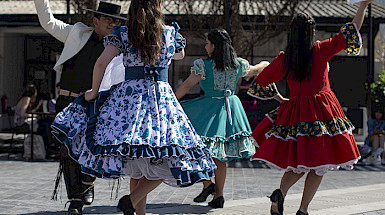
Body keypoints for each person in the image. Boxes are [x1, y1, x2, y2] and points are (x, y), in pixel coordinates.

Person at [51, 0, 216, 215]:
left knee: (136, 159)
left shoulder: (125, 33)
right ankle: (135, 205)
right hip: (160, 100)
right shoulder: (168, 33)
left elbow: (100, 63)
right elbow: (179, 55)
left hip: (128, 100)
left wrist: (93, 92)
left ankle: (133, 201)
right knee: (165, 159)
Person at [249, 1, 372, 214]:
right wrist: (362, 6)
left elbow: (260, 81)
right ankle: (303, 209)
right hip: (322, 112)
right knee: (319, 163)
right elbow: (351, 31)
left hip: (295, 113)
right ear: (311, 31)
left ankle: (280, 193)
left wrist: (280, 99)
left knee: (298, 163)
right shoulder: (320, 50)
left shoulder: (285, 59)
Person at [34, 0, 127, 213]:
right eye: (107, 19)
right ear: (95, 20)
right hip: (68, 101)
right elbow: (48, 22)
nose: (112, 23)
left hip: (98, 105)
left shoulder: (120, 45)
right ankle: (75, 199)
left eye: (116, 21)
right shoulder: (76, 33)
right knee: (67, 150)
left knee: (92, 148)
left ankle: (87, 183)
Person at [174, 29, 284, 208]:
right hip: (230, 109)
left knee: (195, 146)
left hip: (209, 109)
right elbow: (259, 69)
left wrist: (171, 103)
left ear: (215, 46)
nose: (205, 46)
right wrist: (268, 63)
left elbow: (186, 85)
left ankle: (208, 184)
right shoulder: (238, 65)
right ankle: (219, 196)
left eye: (208, 43)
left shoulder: (204, 65)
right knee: (221, 156)